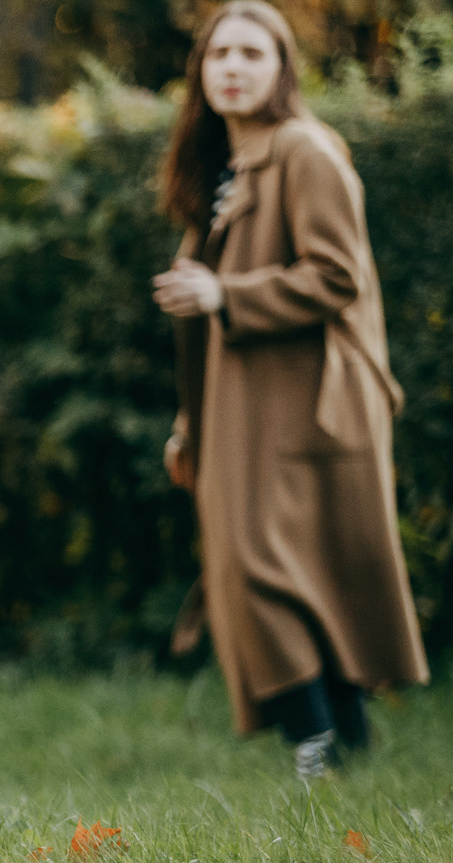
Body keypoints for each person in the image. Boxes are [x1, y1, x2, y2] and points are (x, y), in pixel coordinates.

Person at [152, 0, 426, 778]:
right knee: (289, 575)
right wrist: (188, 423)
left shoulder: (307, 149)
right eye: (218, 56)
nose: (232, 68)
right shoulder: (229, 168)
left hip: (309, 403)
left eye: (252, 54)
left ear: (281, 70)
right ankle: (345, 752)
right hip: (238, 407)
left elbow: (338, 275)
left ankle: (314, 744)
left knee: (264, 568)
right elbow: (203, 313)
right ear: (199, 74)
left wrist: (228, 294)